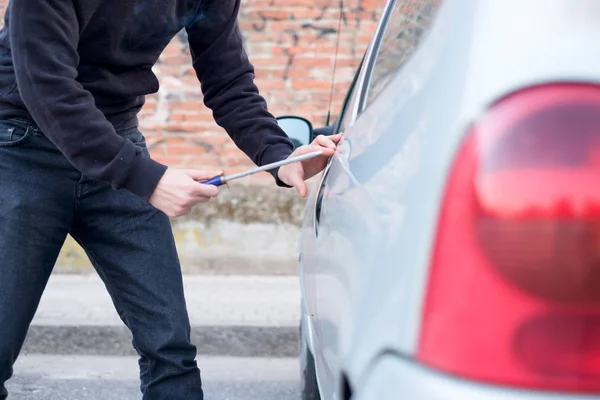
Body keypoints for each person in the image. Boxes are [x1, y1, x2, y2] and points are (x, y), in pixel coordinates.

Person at [0, 0, 342, 398]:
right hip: (20, 147)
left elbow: (228, 80)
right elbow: (47, 86)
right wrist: (147, 179)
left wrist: (279, 155)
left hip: (118, 143)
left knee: (170, 350)